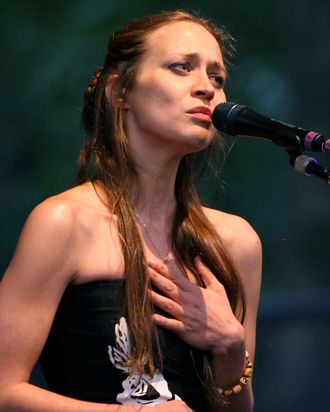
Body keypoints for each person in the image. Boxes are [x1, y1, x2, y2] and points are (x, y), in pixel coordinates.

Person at [0, 9, 262, 412]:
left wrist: (230, 348)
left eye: (217, 77)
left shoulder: (235, 241)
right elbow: (4, 390)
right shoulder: (63, 222)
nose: (207, 88)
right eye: (181, 67)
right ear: (120, 91)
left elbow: (237, 408)